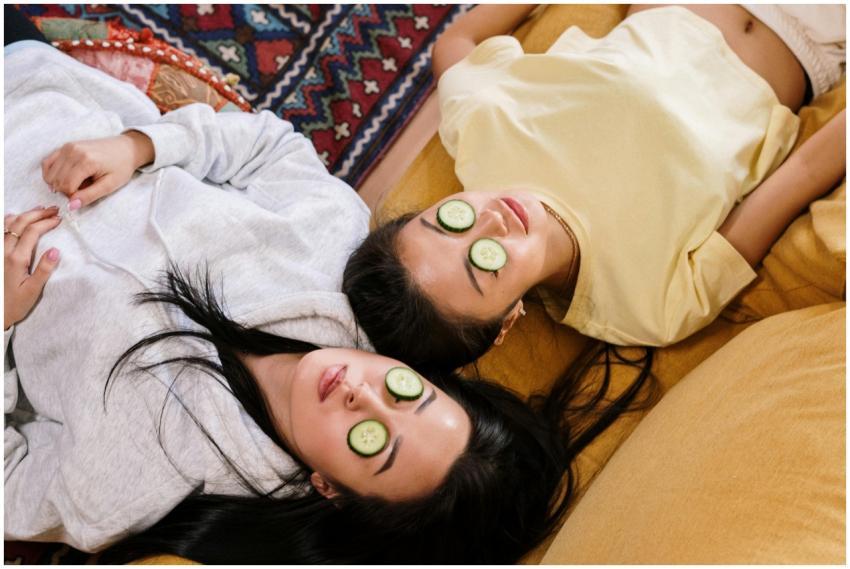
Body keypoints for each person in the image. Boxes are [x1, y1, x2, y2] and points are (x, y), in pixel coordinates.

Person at [4, 36, 655, 564]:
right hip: (39, 91)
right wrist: (140, 147)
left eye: (372, 441)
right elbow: (268, 146)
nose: (362, 395)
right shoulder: (334, 253)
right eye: (406, 392)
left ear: (333, 489)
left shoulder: (140, 489)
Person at [342, 4, 846, 373]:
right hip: (816, 38)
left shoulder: (480, 133)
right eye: (483, 264)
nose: (490, 222)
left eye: (448, 222)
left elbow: (451, 46)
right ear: (505, 323)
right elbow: (798, 175)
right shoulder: (652, 309)